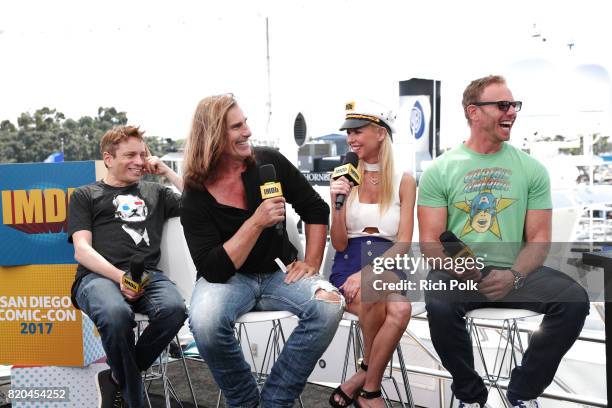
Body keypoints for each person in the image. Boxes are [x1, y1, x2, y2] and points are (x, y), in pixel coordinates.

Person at [418, 75, 589, 408]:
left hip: (516, 271)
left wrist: (514, 275)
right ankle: (470, 396)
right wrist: (465, 269)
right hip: (461, 272)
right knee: (438, 303)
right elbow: (429, 243)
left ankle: (522, 392)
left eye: (513, 105)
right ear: (474, 112)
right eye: (502, 105)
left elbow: (539, 239)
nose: (511, 111)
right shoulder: (440, 170)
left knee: (574, 301)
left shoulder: (532, 169)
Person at [180, 93, 344, 408]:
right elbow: (214, 269)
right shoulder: (195, 193)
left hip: (278, 273)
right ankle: (243, 402)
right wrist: (256, 222)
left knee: (329, 305)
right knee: (204, 322)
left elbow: (315, 208)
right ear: (213, 135)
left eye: (246, 123)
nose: (248, 132)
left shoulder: (269, 162)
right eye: (236, 126)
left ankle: (274, 402)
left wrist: (311, 261)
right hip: (227, 279)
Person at [68, 125, 187, 408]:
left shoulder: (157, 192)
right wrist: (119, 277)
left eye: (143, 154)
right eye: (130, 155)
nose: (139, 161)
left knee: (175, 310)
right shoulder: (86, 195)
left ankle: (118, 378)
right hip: (96, 277)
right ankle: (135, 400)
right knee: (115, 313)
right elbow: (82, 250)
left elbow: (201, 203)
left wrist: (168, 173)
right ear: (108, 159)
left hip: (146, 276)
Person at [328, 100, 416, 408]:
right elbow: (338, 243)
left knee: (380, 290)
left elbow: (403, 242)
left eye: (357, 131)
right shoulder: (342, 177)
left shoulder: (404, 180)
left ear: (380, 133)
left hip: (386, 266)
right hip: (347, 263)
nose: (351, 139)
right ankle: (370, 391)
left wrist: (368, 273)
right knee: (401, 310)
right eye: (348, 133)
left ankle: (365, 384)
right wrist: (336, 204)